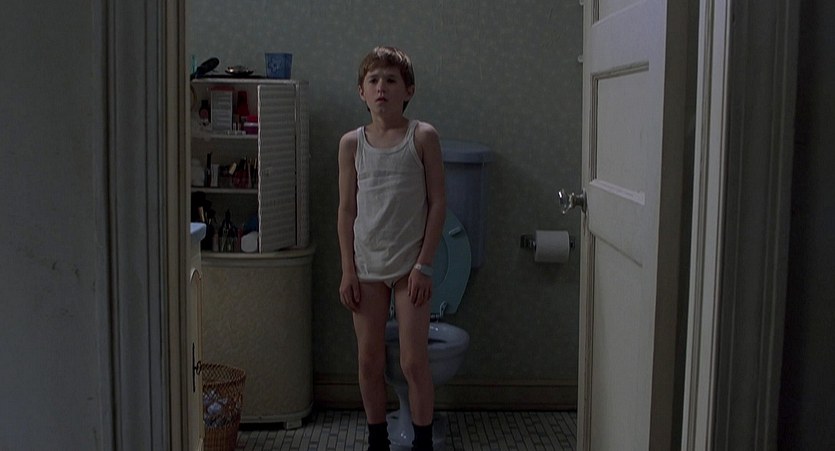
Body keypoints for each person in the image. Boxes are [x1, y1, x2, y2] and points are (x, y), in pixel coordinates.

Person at [337, 46, 446, 451]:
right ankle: (377, 440)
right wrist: (348, 270)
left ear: (408, 90)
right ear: (361, 92)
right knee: (369, 362)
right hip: (366, 266)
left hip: (409, 267)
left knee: (413, 362)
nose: (381, 87)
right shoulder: (352, 144)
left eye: (391, 80)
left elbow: (438, 203)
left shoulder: (422, 137)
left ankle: (422, 443)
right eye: (373, 80)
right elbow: (346, 210)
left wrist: (425, 265)